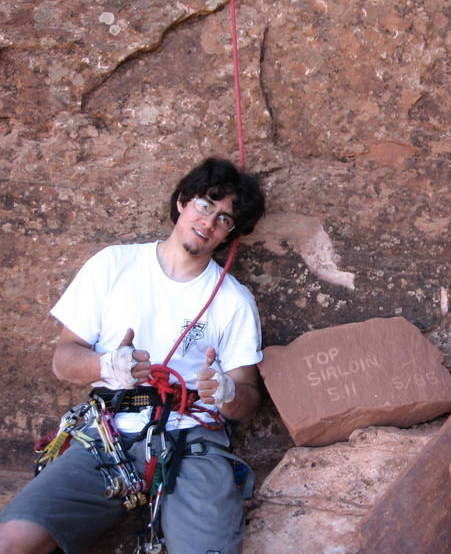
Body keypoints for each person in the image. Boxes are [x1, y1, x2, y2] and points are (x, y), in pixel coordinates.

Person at [0, 157, 267, 553]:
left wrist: (226, 393)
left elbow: (248, 398)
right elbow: (64, 358)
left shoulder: (234, 301)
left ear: (229, 234)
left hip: (190, 436)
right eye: (205, 205)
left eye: (225, 219)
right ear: (182, 202)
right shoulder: (114, 264)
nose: (210, 223)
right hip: (106, 431)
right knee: (12, 540)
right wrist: (105, 364)